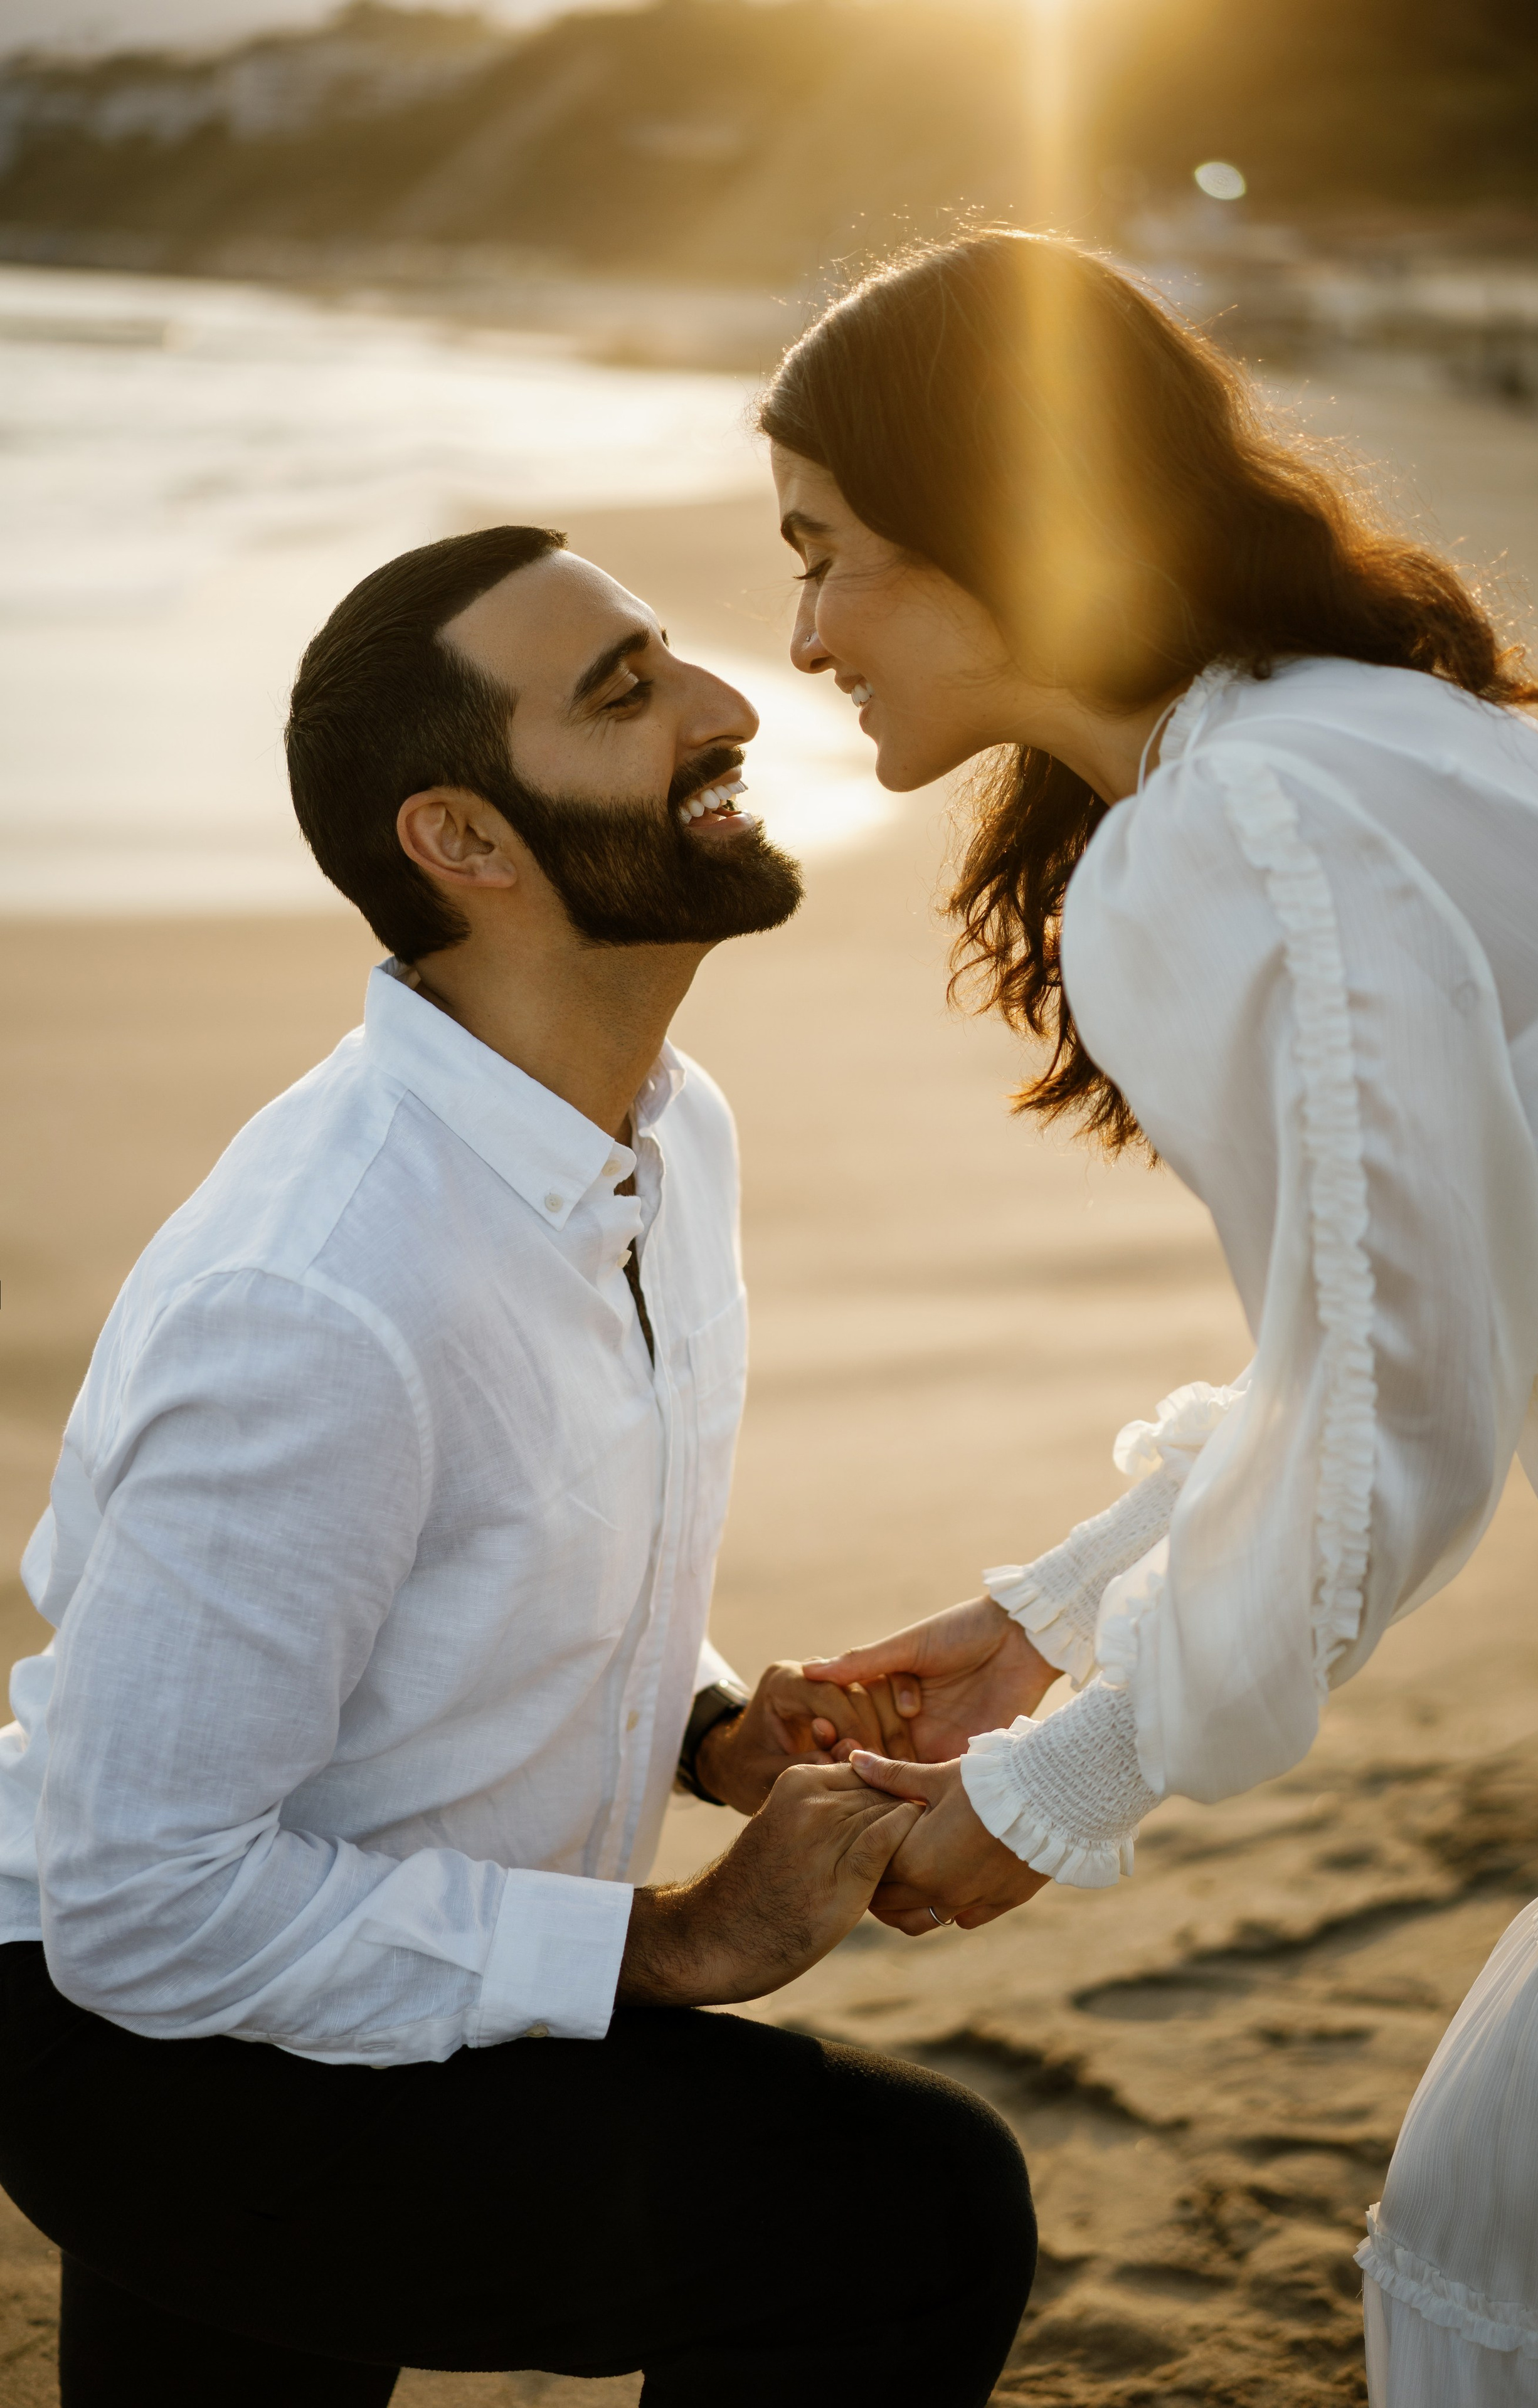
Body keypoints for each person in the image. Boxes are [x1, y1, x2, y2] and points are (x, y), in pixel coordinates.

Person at [0, 525, 1037, 2407]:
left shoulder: (663, 1126)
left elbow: (517, 1559)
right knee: (911, 2214)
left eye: (676, 658)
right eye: (626, 699)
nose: (734, 706)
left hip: (359, 1958)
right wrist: (668, 1942)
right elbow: (145, 1916)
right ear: (463, 843)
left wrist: (714, 1730)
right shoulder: (318, 1302)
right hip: (159, 2049)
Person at [758, 230, 1538, 2403]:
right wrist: (1053, 1610)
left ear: (991, 521)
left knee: (1523, 2252)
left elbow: (1397, 1406)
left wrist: (1062, 1783)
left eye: (829, 554)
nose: (804, 633)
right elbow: (1401, 1322)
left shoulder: (1237, 823)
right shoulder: (1321, 740)